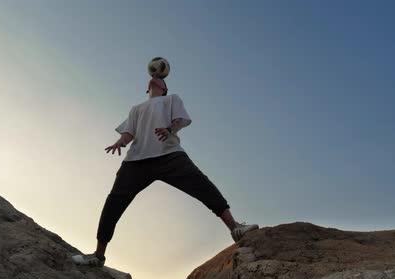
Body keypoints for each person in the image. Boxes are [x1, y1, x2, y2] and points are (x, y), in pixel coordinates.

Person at [71, 75, 259, 267]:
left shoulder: (171, 99)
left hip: (169, 155)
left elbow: (180, 119)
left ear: (164, 88)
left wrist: (170, 129)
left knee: (203, 186)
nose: (154, 78)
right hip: (136, 161)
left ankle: (235, 227)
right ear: (147, 88)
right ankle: (98, 255)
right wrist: (121, 141)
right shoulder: (136, 108)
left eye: (160, 78)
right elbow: (129, 131)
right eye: (152, 77)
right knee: (114, 203)